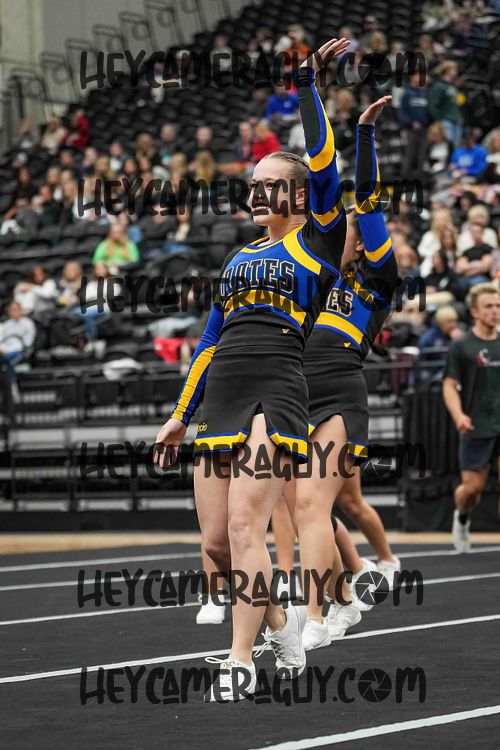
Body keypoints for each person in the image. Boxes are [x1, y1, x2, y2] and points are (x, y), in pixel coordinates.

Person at [154, 37, 350, 702]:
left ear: (298, 193)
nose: (258, 193)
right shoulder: (238, 260)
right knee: (217, 543)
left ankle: (239, 658)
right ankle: (279, 623)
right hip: (223, 394)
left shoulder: (317, 242)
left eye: (271, 185)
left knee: (246, 525)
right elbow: (209, 340)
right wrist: (180, 416)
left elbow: (323, 162)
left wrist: (307, 87)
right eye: (253, 186)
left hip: (276, 389)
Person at [291, 95, 399, 650]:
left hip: (338, 391)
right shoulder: (312, 269)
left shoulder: (377, 282)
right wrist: (307, 86)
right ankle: (346, 598)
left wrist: (365, 134)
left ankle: (315, 614)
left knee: (317, 504)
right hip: (292, 390)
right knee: (307, 511)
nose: (350, 231)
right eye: (348, 227)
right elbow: (319, 168)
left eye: (358, 230)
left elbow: (369, 201)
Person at [443, 283, 500, 552]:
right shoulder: (462, 346)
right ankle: (462, 516)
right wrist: (459, 415)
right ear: (475, 312)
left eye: (498, 306)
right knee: (471, 490)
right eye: (488, 306)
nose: (495, 311)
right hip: (477, 425)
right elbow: (449, 385)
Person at [0, 301, 36, 384]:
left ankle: (12, 384)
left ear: (21, 310)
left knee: (8, 361)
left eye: (16, 310)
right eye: (12, 310)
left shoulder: (28, 323)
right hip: (5, 350)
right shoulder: (6, 325)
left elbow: (28, 343)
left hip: (20, 350)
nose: (14, 312)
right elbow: (2, 341)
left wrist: (8, 351)